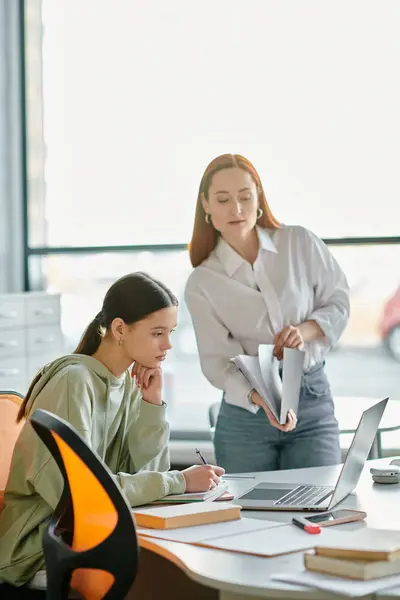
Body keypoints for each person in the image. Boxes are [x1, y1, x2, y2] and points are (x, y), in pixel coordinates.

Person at [0, 272, 224, 587]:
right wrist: (179, 480)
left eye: (170, 332)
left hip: (91, 528)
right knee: (178, 575)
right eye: (157, 332)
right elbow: (85, 495)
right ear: (119, 329)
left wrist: (152, 405)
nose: (168, 344)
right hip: (37, 545)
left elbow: (148, 472)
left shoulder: (127, 383)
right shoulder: (72, 382)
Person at [185, 154, 350, 474]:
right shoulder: (202, 282)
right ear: (206, 205)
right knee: (249, 519)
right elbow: (216, 363)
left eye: (245, 197)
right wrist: (260, 398)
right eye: (223, 199)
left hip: (311, 402)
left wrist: (306, 330)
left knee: (317, 506)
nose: (236, 209)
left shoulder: (299, 242)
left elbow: (339, 301)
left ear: (259, 197)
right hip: (247, 417)